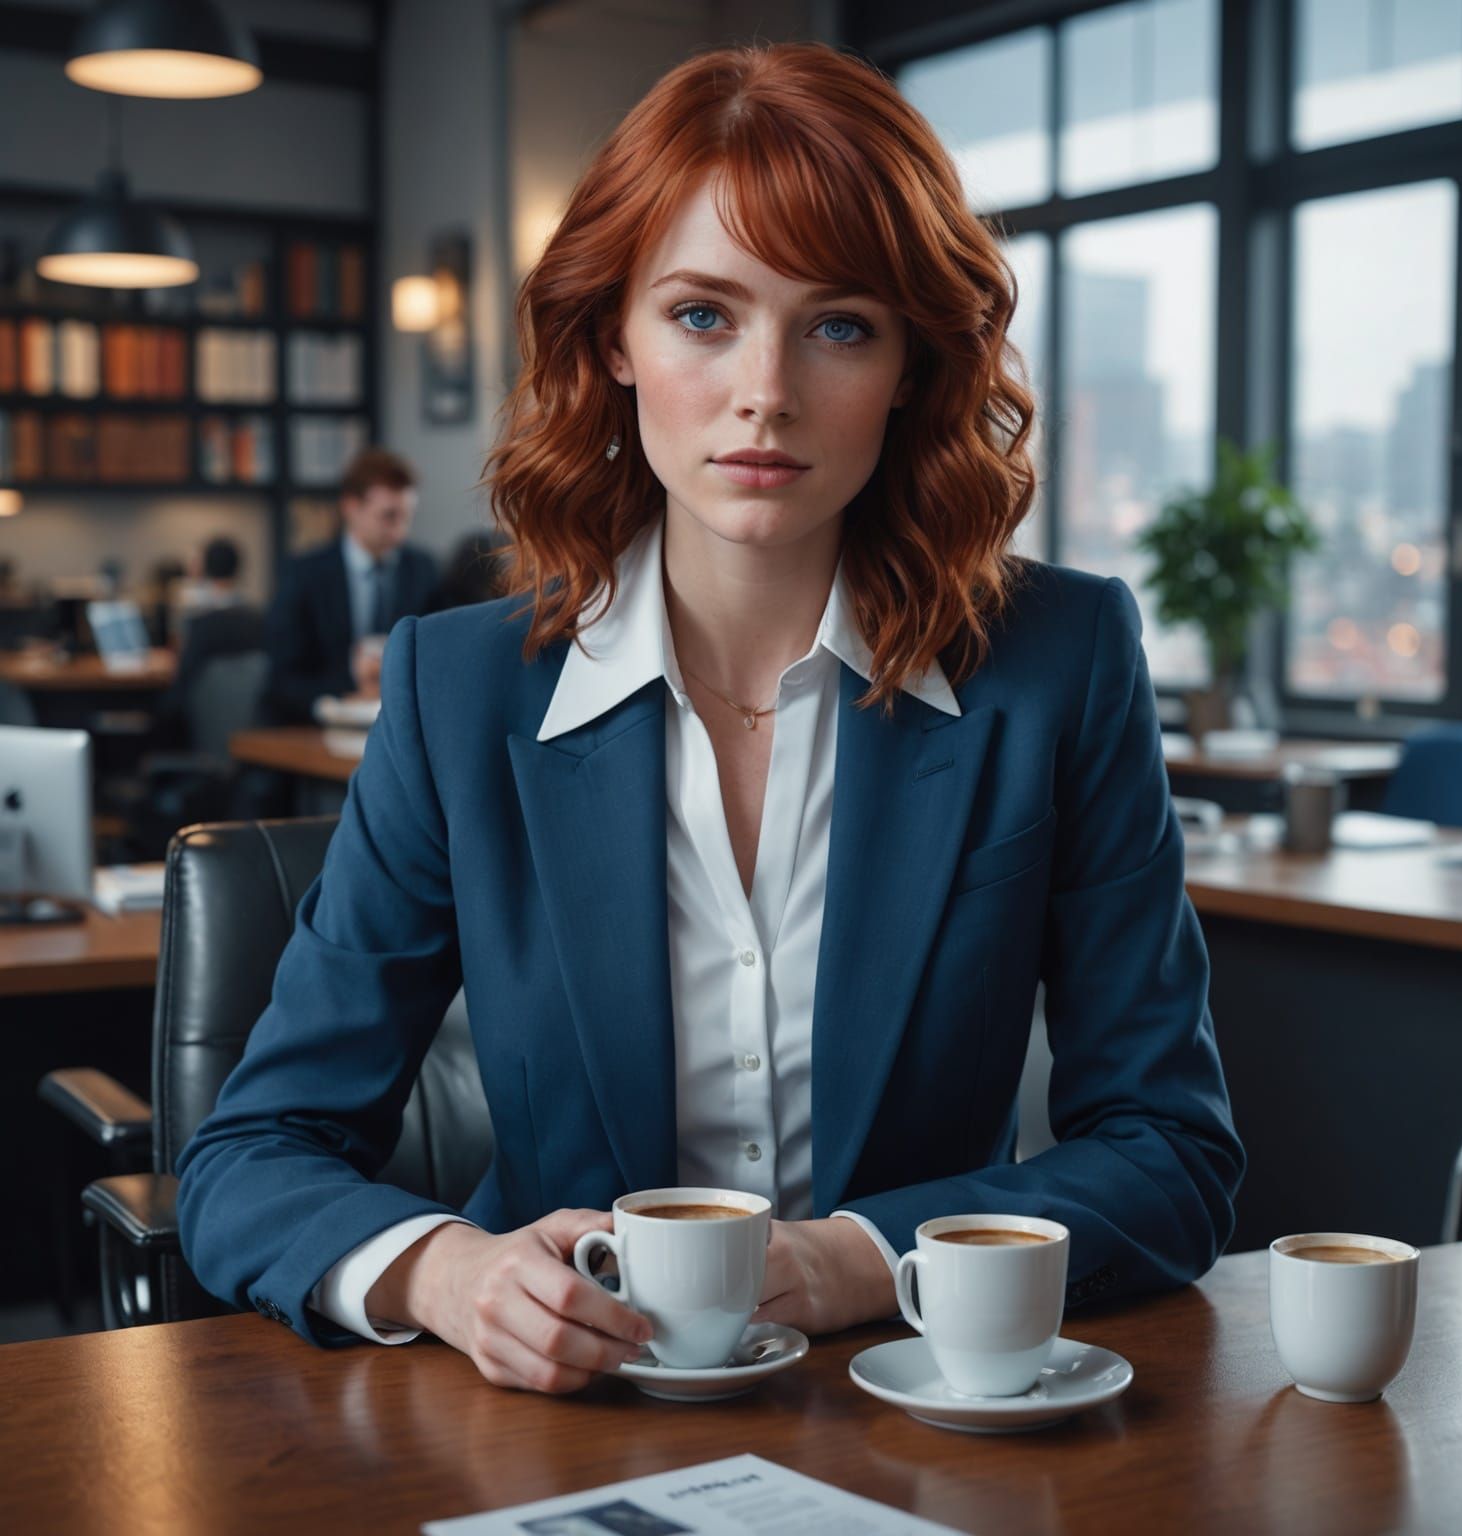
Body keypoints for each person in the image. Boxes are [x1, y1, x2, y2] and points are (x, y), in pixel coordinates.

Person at [177, 42, 1244, 1396]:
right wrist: (447, 1273)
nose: (767, 391)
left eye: (839, 325)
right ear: (612, 339)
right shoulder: (460, 689)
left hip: (923, 1408)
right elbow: (249, 1158)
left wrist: (858, 1261)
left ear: (913, 365)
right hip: (555, 1420)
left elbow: (1169, 1153)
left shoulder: (1059, 664)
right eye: (701, 315)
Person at [263, 448, 437, 722]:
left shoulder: (422, 570)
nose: (400, 530)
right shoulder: (304, 575)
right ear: (351, 508)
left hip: (400, 723)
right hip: (316, 724)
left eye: (407, 517)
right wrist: (344, 691)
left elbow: (435, 656)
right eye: (389, 516)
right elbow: (282, 680)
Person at [158, 537, 264, 740]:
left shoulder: (200, 622)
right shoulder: (257, 618)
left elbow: (179, 690)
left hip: (199, 728)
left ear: (205, 568)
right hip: (252, 728)